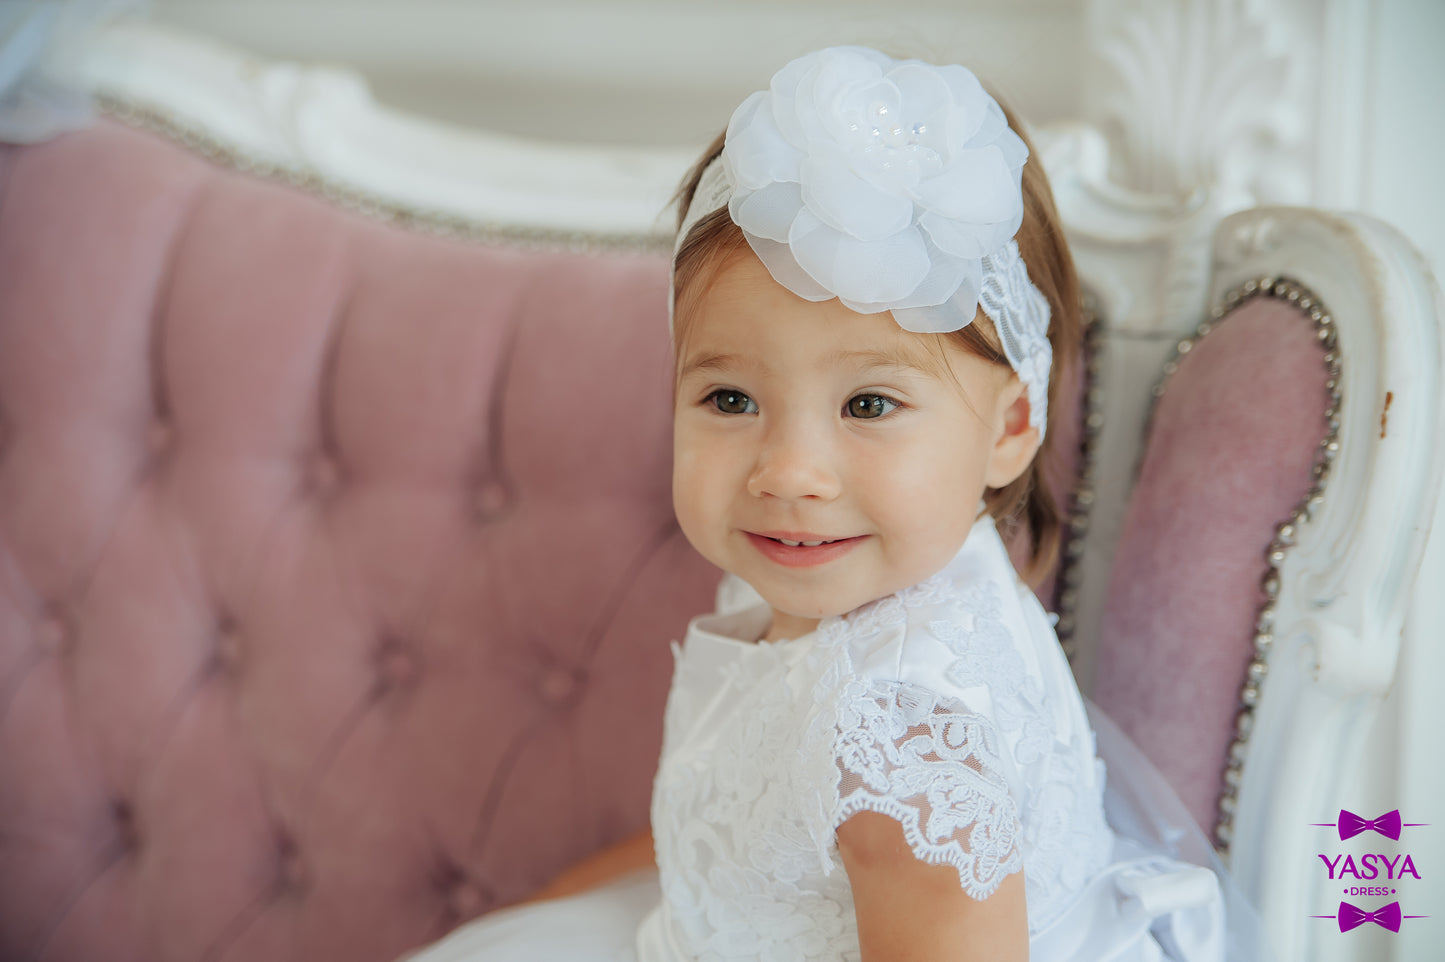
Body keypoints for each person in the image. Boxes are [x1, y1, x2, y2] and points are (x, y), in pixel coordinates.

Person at [397, 45, 1275, 962]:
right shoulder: (829, 575)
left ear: (1010, 426)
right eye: (729, 400)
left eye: (868, 405)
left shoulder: (905, 751)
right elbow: (744, 834)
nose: (787, 471)